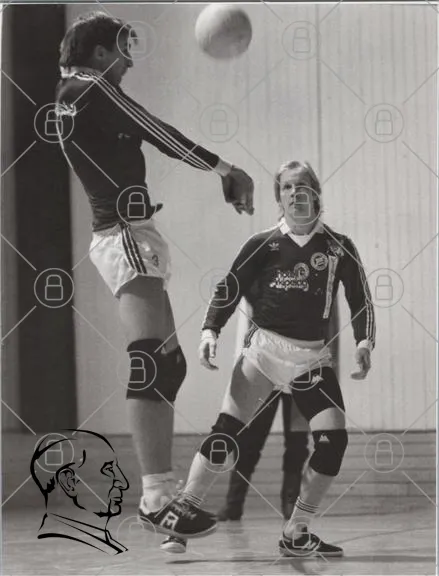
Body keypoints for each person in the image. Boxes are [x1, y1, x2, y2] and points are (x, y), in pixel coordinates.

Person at [54, 11, 254, 554]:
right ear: (100, 52)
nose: (130, 60)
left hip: (130, 232)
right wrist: (225, 169)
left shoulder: (72, 92)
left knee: (170, 364)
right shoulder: (91, 88)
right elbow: (155, 130)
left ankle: (164, 501)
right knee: (149, 361)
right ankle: (155, 499)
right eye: (123, 48)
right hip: (124, 234)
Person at [147, 160, 375, 557]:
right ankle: (181, 517)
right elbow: (229, 288)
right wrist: (210, 331)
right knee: (226, 434)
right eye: (287, 187)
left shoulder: (339, 246)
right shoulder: (262, 244)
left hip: (311, 359)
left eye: (302, 185)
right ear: (278, 199)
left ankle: (296, 530)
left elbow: (361, 300)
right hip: (264, 351)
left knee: (332, 442)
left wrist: (364, 342)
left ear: (316, 193)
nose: (295, 192)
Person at [30, 431, 129, 555]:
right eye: (108, 469)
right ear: (69, 483)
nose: (123, 483)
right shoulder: (71, 550)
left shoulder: (104, 543)